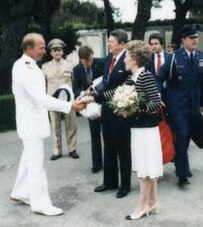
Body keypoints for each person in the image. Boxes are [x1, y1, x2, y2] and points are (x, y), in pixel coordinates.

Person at [10, 33, 87, 216]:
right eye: (41, 47)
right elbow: (41, 99)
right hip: (31, 124)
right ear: (29, 48)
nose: (45, 50)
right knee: (36, 164)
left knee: (28, 159)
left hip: (30, 122)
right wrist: (69, 105)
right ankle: (40, 204)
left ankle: (19, 192)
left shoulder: (26, 65)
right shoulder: (26, 68)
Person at [95, 40, 163, 220]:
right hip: (138, 128)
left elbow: (155, 103)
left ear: (134, 58)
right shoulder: (133, 76)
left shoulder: (145, 76)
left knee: (144, 168)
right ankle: (153, 202)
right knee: (146, 166)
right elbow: (117, 92)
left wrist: (135, 109)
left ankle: (142, 206)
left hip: (146, 129)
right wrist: (94, 96)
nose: (124, 59)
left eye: (126, 56)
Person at [158, 24, 203, 187]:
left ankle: (180, 163)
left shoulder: (202, 57)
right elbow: (160, 77)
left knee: (186, 139)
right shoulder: (173, 58)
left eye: (196, 38)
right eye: (191, 38)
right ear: (183, 40)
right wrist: (158, 95)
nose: (195, 40)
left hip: (193, 106)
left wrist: (202, 104)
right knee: (183, 134)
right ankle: (183, 174)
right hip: (177, 106)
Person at [94, 29, 132, 198]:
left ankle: (125, 185)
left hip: (122, 110)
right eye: (108, 41)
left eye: (111, 41)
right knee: (108, 146)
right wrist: (96, 94)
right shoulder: (109, 58)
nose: (108, 44)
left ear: (122, 44)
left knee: (123, 149)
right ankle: (109, 182)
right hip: (107, 110)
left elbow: (126, 87)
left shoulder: (128, 59)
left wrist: (102, 95)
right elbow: (106, 82)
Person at [42, 38, 78, 161]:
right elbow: (44, 84)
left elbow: (75, 82)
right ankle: (57, 151)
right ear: (50, 52)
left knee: (71, 124)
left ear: (63, 51)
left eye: (59, 49)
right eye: (54, 50)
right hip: (52, 99)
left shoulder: (70, 64)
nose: (57, 52)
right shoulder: (45, 67)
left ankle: (72, 149)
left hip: (67, 99)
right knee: (55, 125)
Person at [73, 46, 104, 173]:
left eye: (91, 60)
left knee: (109, 135)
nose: (90, 63)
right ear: (81, 60)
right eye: (87, 62)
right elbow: (75, 89)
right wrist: (83, 93)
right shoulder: (77, 69)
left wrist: (96, 89)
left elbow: (107, 80)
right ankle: (97, 163)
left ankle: (112, 162)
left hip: (103, 101)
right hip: (90, 106)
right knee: (94, 134)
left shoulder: (101, 63)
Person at [147, 33, 169, 103]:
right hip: (153, 94)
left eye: (156, 44)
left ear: (162, 44)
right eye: (151, 44)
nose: (153, 46)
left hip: (169, 93)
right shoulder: (147, 59)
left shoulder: (169, 57)